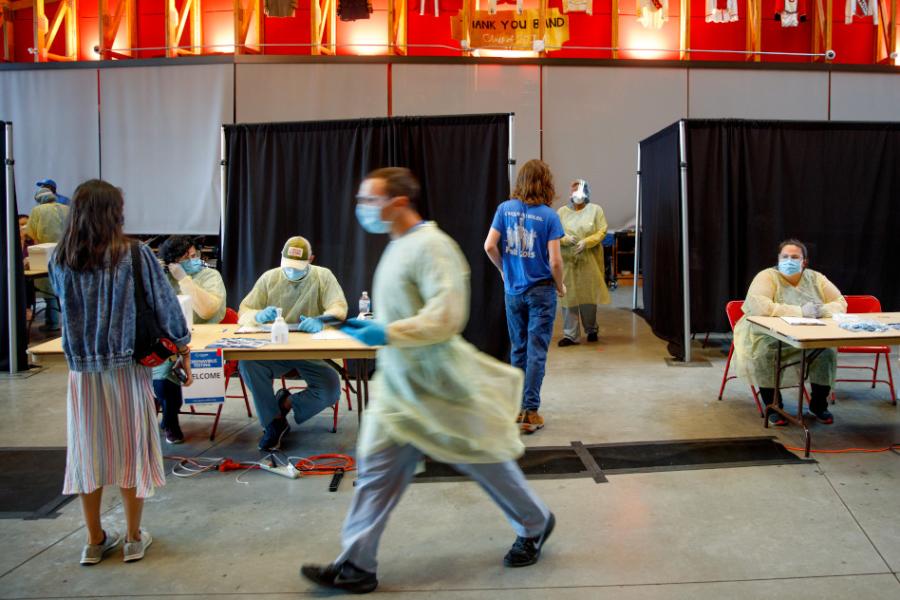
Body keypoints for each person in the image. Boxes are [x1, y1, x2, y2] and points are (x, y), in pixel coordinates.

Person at [301, 167, 554, 595]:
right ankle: (357, 564)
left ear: (398, 202)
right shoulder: (398, 246)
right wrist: (374, 327)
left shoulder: (433, 247)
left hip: (439, 383)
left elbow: (447, 315)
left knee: (483, 458)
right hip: (399, 387)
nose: (363, 208)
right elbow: (405, 311)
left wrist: (388, 332)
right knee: (376, 468)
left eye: (370, 200)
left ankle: (535, 523)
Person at [48, 179, 191, 565]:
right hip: (127, 366)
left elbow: (63, 306)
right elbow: (165, 304)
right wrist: (182, 346)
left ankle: (94, 540)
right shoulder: (134, 254)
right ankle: (132, 537)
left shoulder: (60, 258)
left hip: (82, 372)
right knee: (131, 448)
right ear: (114, 213)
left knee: (88, 451)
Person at [237, 236, 348, 451]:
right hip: (275, 349)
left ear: (311, 260)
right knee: (248, 363)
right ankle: (273, 422)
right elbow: (244, 310)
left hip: (311, 351)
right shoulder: (270, 278)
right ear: (281, 257)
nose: (291, 271)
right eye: (288, 265)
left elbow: (339, 308)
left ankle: (284, 404)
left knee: (331, 389)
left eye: (297, 267)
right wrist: (258, 315)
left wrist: (321, 320)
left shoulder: (323, 276)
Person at [484, 159, 566, 434]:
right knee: (536, 352)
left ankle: (518, 408)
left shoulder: (504, 209)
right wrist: (561, 285)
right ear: (546, 184)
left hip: (513, 291)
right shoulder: (549, 217)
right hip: (541, 291)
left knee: (518, 349)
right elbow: (555, 261)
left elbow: (489, 246)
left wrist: (504, 270)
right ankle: (531, 412)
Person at [733, 239, 847, 425]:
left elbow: (841, 303)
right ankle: (773, 406)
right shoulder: (766, 276)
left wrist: (820, 310)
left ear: (804, 261)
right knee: (765, 353)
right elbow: (760, 306)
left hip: (807, 332)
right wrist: (800, 311)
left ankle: (818, 405)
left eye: (795, 257)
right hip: (766, 333)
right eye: (784, 257)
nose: (789, 260)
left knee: (825, 353)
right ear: (778, 259)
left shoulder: (816, 278)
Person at [152, 235, 227, 444]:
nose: (193, 260)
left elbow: (206, 310)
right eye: (186, 258)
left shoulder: (210, 276)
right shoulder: (164, 279)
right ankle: (169, 418)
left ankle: (168, 418)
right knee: (162, 373)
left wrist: (184, 279)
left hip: (205, 340)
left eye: (194, 255)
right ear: (173, 262)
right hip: (170, 340)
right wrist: (158, 274)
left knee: (170, 371)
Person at [557, 179, 611, 347]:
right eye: (575, 191)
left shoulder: (595, 210)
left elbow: (602, 231)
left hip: (589, 262)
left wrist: (586, 242)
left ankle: (591, 329)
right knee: (569, 298)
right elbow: (555, 232)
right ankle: (570, 335)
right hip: (568, 261)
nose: (577, 195)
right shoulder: (561, 212)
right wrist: (565, 239)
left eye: (581, 191)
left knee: (588, 297)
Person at [27, 187, 70, 332]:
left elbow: (31, 232)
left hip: (46, 254)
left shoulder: (37, 211)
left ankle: (52, 322)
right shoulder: (66, 209)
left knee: (49, 288)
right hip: (67, 253)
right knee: (66, 287)